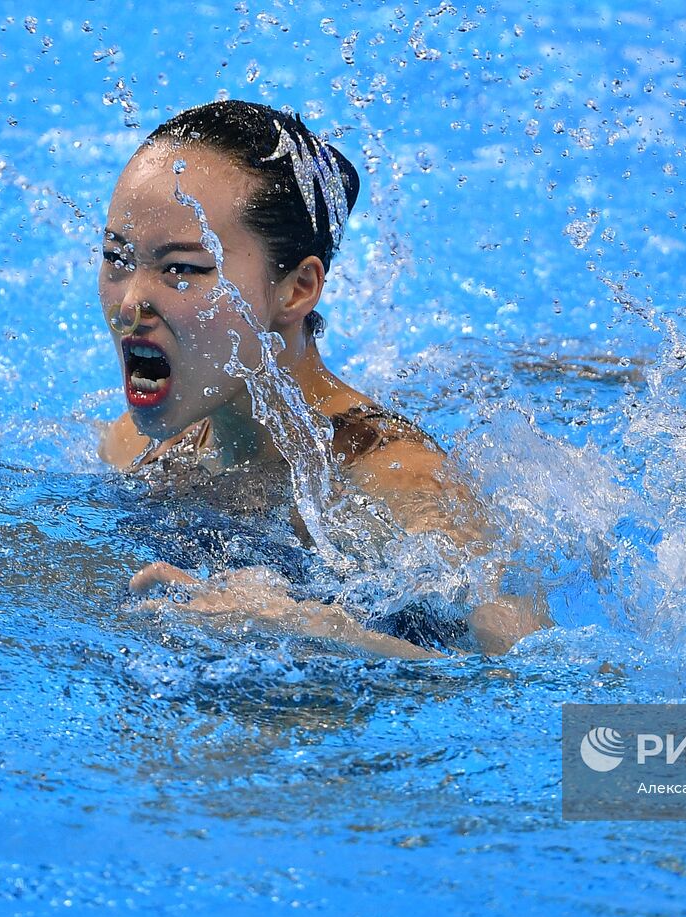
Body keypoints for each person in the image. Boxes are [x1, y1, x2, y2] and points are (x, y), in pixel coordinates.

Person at [97, 100, 548, 657]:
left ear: (297, 289)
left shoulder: (399, 487)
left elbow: (530, 675)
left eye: (182, 269)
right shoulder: (136, 449)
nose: (130, 304)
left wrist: (316, 630)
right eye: (117, 258)